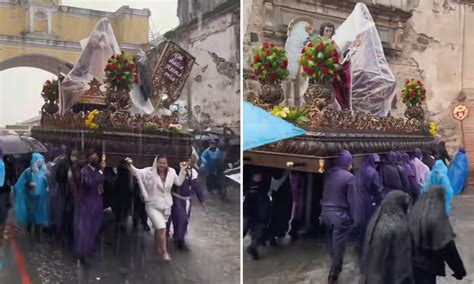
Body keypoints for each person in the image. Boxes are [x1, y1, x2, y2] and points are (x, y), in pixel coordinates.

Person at [126, 155, 187, 262]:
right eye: (160, 163)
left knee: (159, 228)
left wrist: (183, 170)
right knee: (162, 228)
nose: (162, 165)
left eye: (164, 163)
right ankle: (165, 253)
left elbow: (178, 182)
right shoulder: (149, 172)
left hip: (166, 205)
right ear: (156, 162)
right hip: (152, 205)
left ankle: (157, 246)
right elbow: (137, 172)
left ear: (167, 164)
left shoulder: (172, 172)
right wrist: (130, 165)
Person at [409, 186, 466, 283]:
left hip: (411, 265)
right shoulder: (439, 220)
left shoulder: (414, 215)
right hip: (428, 268)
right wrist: (459, 270)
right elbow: (448, 248)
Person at [320, 150, 360, 283]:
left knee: (330, 242)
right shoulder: (349, 177)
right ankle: (334, 272)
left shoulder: (328, 174)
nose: (351, 165)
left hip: (325, 214)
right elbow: (352, 201)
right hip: (339, 216)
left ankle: (331, 263)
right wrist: (355, 219)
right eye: (350, 163)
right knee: (339, 245)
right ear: (347, 163)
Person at [360, 190, 414, 284]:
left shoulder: (374, 220)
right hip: (388, 278)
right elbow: (402, 262)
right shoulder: (400, 227)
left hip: (369, 276)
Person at [74, 150, 106, 265]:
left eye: (96, 158)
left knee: (94, 228)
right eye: (93, 158)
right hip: (86, 204)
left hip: (96, 203)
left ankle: (89, 249)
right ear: (88, 159)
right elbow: (90, 183)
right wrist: (101, 172)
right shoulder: (84, 171)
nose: (95, 160)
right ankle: (83, 254)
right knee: (85, 229)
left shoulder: (97, 170)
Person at [167, 157, 206, 250]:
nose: (189, 163)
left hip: (187, 201)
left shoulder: (193, 172)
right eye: (187, 161)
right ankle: (180, 240)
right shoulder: (176, 170)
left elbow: (197, 187)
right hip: (177, 199)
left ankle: (179, 238)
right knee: (180, 219)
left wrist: (202, 200)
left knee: (185, 221)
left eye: (191, 161)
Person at [354, 154, 383, 266]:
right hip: (368, 201)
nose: (376, 165)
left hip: (358, 200)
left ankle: (359, 246)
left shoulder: (361, 169)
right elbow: (377, 189)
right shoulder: (373, 173)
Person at [14, 153, 49, 234]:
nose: (40, 163)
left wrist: (47, 187)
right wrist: (28, 185)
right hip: (29, 198)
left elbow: (47, 183)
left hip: (40, 199)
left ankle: (37, 234)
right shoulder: (27, 172)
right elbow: (19, 185)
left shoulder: (44, 172)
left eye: (41, 161)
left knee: (39, 216)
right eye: (38, 161)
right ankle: (29, 231)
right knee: (30, 215)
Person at [243, 168, 271, 260]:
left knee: (258, 232)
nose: (258, 177)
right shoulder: (248, 187)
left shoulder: (263, 190)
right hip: (249, 210)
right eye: (256, 175)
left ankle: (252, 248)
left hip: (260, 212)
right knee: (244, 228)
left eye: (259, 175)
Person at [268, 169, 293, 246]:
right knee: (280, 213)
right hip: (281, 193)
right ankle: (274, 234)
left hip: (282, 193)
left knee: (280, 212)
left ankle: (276, 233)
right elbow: (275, 186)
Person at [0, 145, 15, 244]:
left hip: (4, 190)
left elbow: (13, 177)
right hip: (4, 189)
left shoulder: (9, 163)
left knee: (3, 209)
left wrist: (10, 180)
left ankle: (1, 229)